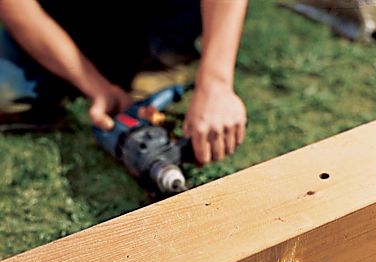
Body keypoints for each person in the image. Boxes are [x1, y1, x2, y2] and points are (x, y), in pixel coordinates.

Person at [0, 0, 248, 164]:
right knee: (5, 90)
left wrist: (215, 82)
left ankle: (162, 53)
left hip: (162, 11)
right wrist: (95, 86)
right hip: (69, 14)